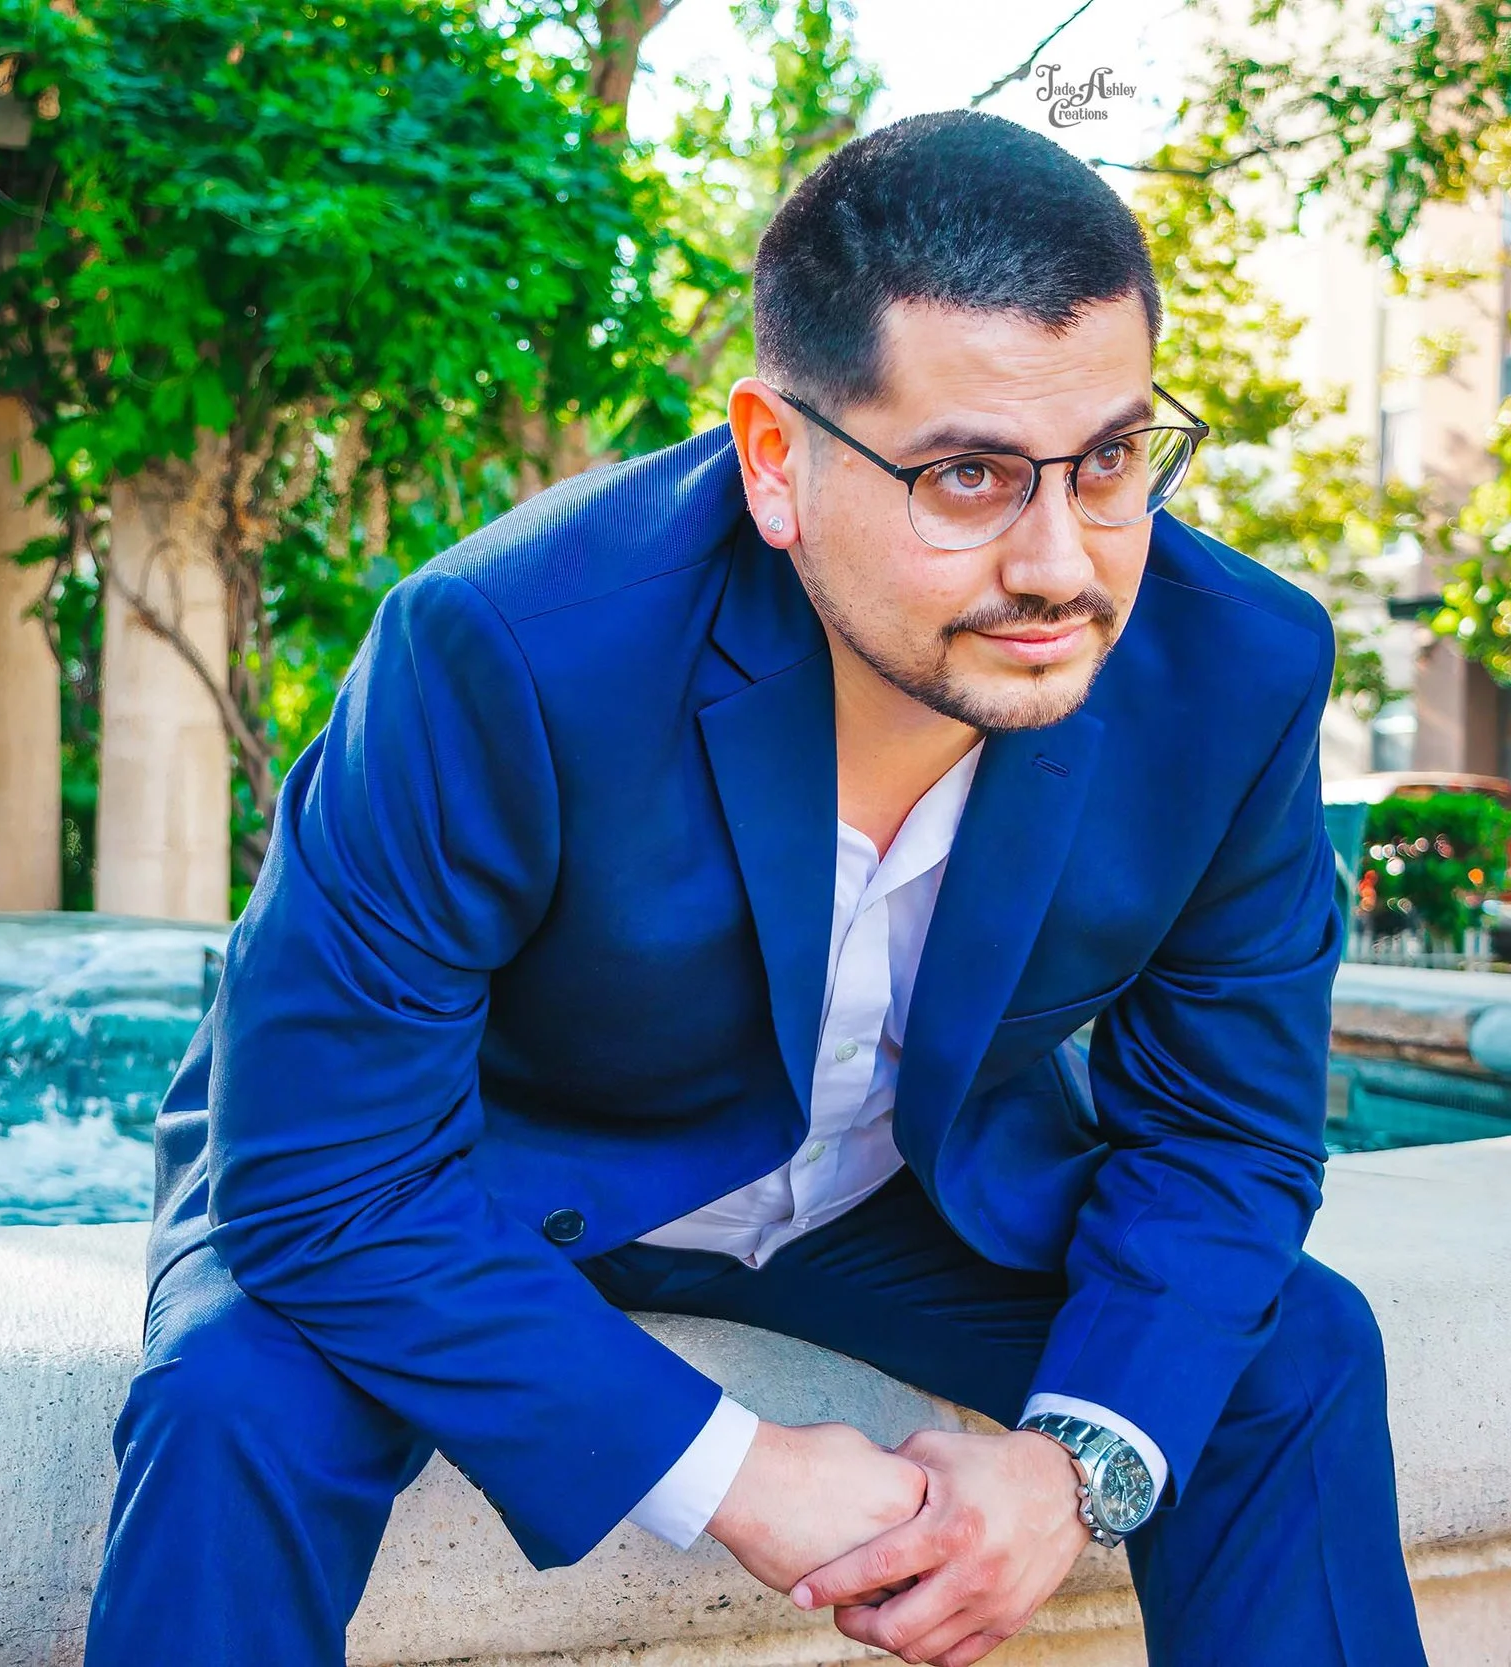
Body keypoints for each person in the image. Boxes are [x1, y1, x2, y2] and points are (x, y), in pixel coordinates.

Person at [86, 110, 1429, 1667]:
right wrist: (734, 1470)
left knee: (1292, 1349)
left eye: (1113, 458)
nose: (1064, 562)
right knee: (230, 1392)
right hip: (470, 1183)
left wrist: (1077, 1469)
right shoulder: (499, 647)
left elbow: (1227, 1133)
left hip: (881, 1201)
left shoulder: (1235, 668)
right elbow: (325, 1179)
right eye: (972, 475)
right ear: (777, 463)